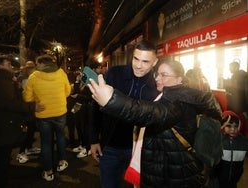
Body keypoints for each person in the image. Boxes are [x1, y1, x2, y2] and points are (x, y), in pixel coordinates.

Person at [88, 59, 222, 187]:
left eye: (164, 75)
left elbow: (147, 112)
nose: (157, 78)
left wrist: (112, 100)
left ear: (179, 79)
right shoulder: (170, 96)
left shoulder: (178, 102)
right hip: (172, 169)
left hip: (175, 176)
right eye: (157, 74)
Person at [89, 40, 159, 188]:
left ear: (154, 62)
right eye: (136, 59)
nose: (138, 65)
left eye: (145, 61)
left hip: (138, 151)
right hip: (110, 147)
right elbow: (96, 108)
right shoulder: (114, 73)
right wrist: (94, 139)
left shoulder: (156, 85)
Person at [0, 53, 42, 188]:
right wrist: (32, 107)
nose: (11, 66)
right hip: (2, 129)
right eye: (8, 64)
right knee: (2, 164)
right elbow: (9, 103)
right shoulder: (2, 80)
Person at [23, 54, 71, 181]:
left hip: (43, 114)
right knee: (60, 136)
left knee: (46, 142)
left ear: (40, 63)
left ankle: (48, 171)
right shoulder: (61, 73)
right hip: (60, 112)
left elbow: (27, 98)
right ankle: (62, 161)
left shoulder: (33, 76)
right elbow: (67, 92)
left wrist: (36, 100)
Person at [16, 60, 41, 164]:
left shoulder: (34, 77)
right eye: (29, 67)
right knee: (27, 131)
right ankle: (21, 152)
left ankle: (29, 148)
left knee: (31, 129)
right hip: (27, 108)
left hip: (32, 107)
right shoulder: (23, 78)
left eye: (32, 67)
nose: (32, 69)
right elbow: (26, 94)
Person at [216, 110, 248, 188]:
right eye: (229, 126)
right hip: (218, 180)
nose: (233, 129)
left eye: (236, 126)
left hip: (234, 180)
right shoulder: (217, 140)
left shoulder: (244, 142)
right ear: (222, 125)